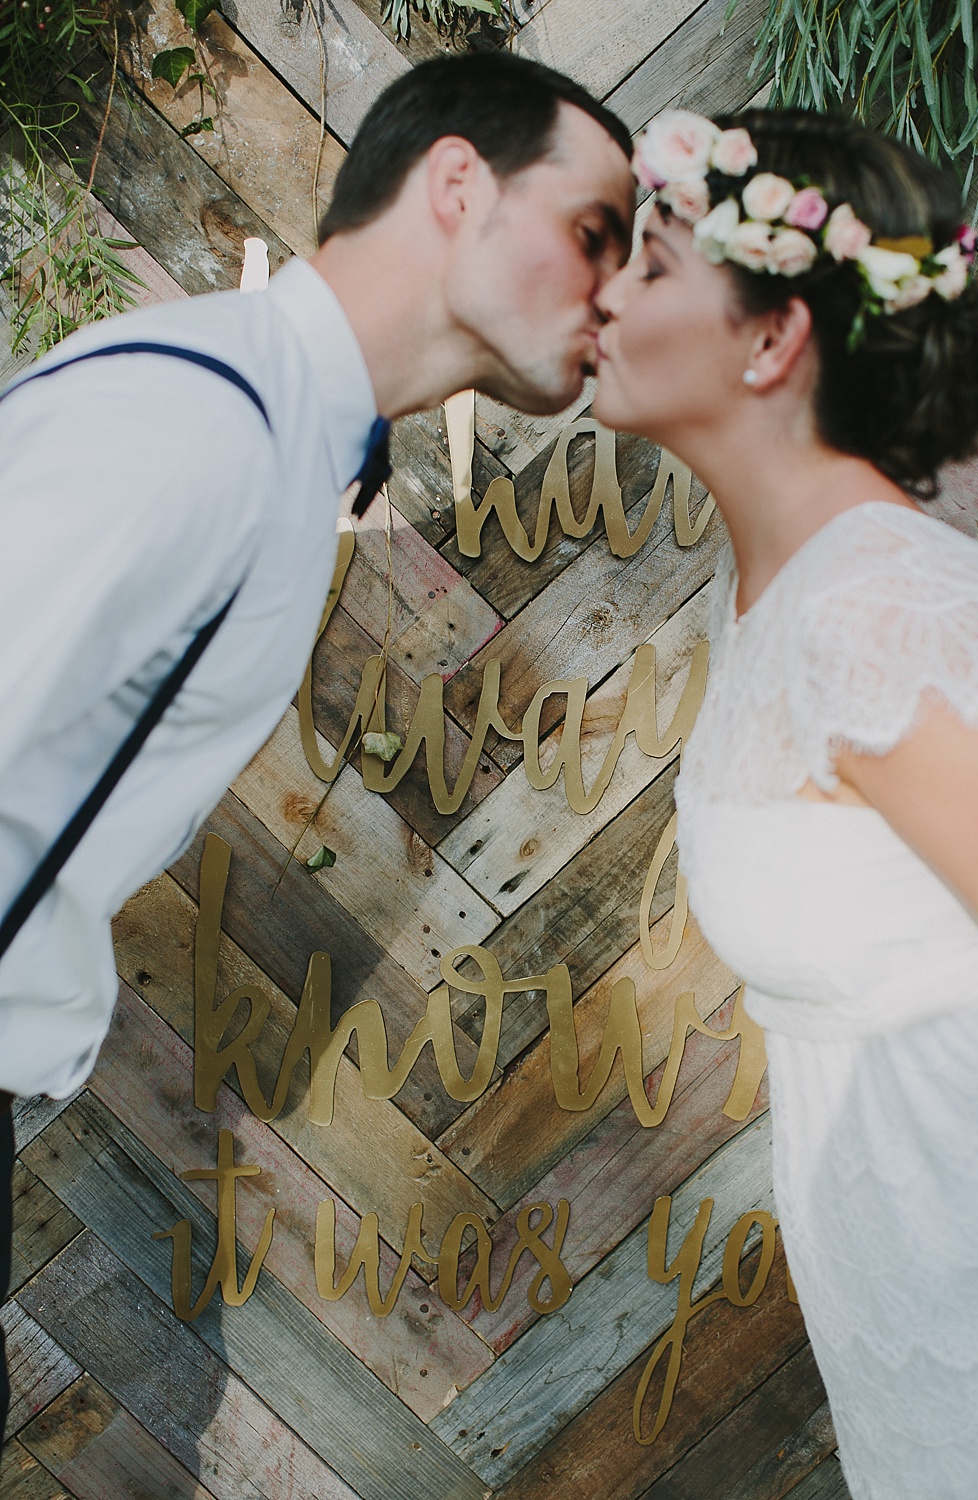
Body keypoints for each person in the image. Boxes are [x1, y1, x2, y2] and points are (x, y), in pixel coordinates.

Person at [0, 51, 635, 1432]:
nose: (618, 291)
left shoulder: (272, 435)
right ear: (458, 184)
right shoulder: (201, 422)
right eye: (597, 232)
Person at [593, 106, 978, 1499]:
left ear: (773, 340)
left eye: (650, 265)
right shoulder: (785, 592)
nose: (607, 294)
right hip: (908, 1284)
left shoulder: (880, 607)